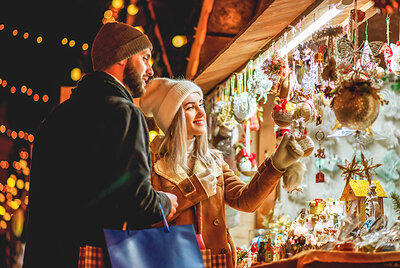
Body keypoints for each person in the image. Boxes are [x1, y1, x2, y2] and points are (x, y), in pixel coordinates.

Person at [23, 23, 178, 267]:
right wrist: (166, 201)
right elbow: (138, 200)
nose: (150, 69)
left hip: (47, 257)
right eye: (145, 58)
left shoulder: (55, 118)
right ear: (122, 58)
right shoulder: (124, 113)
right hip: (94, 257)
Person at [140, 78, 304, 268]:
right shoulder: (151, 164)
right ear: (173, 116)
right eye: (190, 107)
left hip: (215, 260)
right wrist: (193, 189)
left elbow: (246, 200)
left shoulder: (214, 161)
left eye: (200, 104)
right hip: (173, 261)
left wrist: (275, 165)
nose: (201, 112)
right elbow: (147, 219)